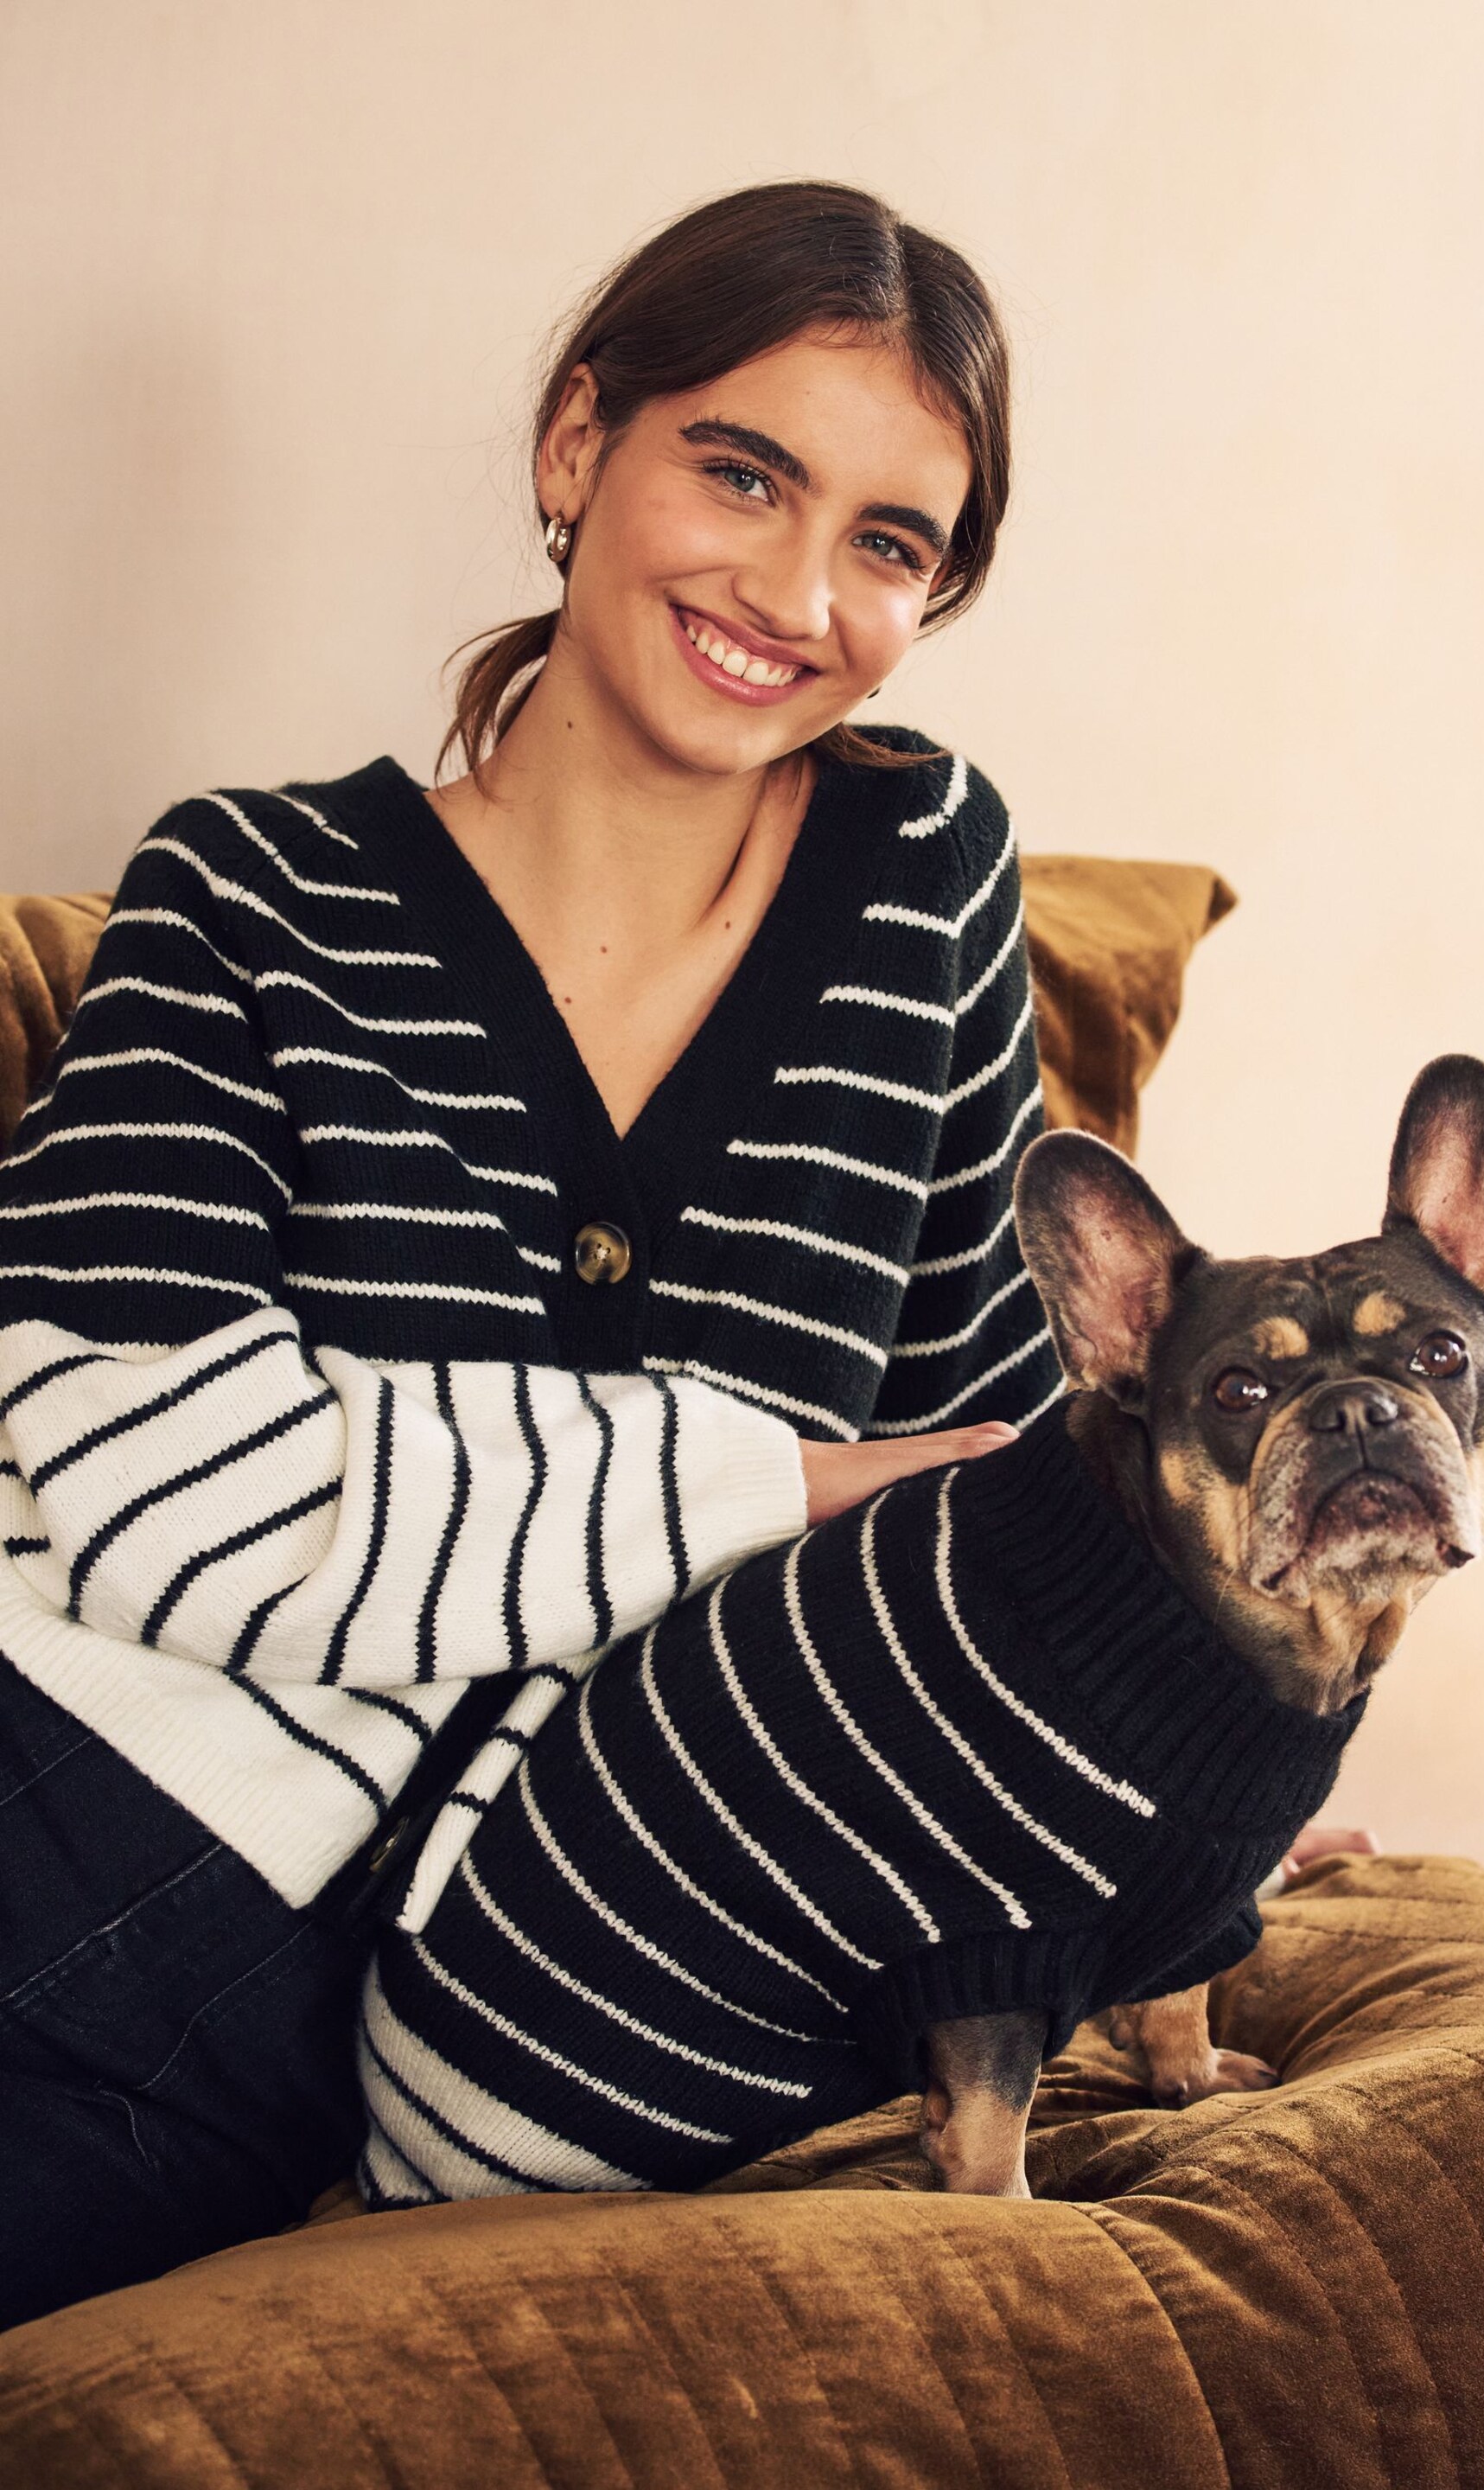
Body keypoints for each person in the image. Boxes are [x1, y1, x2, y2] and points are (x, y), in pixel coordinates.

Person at [0, 179, 1073, 2328]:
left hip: (342, 2037)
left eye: (888, 541)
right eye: (740, 470)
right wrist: (758, 1479)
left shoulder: (922, 880)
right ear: (580, 446)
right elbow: (143, 1497)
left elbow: (1011, 1456)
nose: (792, 589)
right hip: (59, 1785)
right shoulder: (248, 888)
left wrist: (1168, 1775)